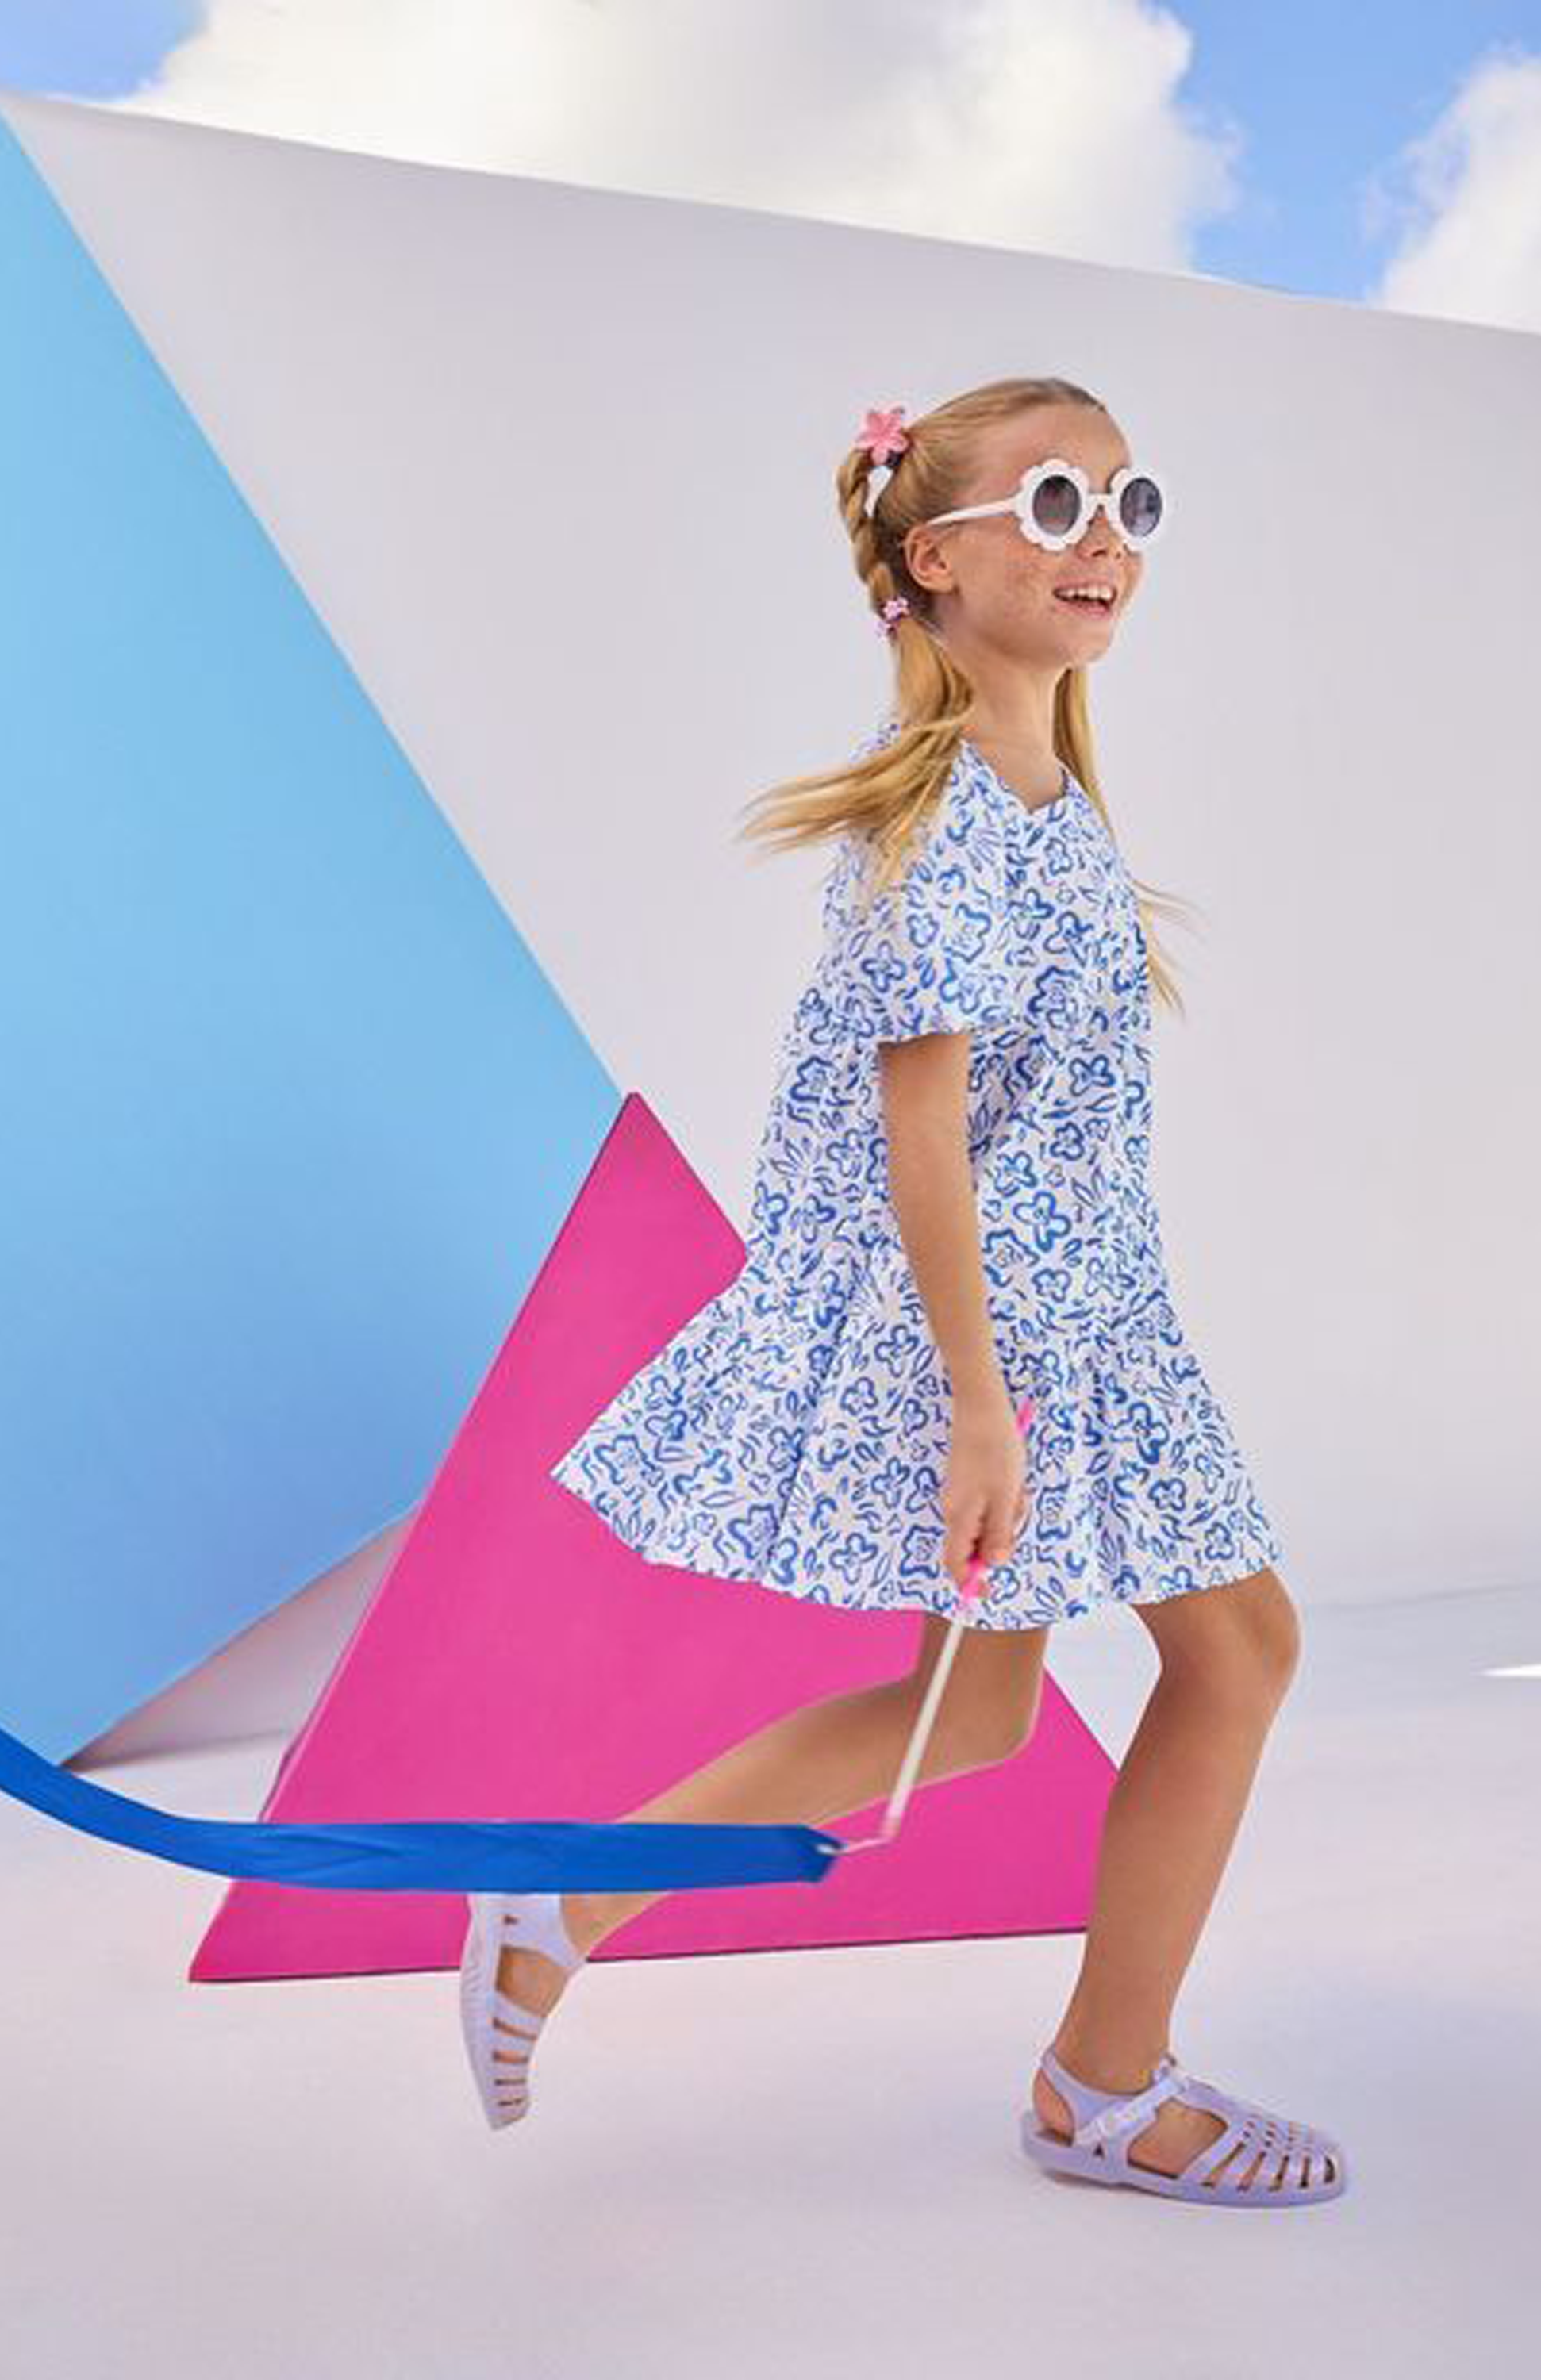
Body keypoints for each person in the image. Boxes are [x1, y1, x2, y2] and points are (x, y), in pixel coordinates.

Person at [459, 374, 1346, 2205]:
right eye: (1054, 505)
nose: (1105, 542)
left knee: (1000, 1709)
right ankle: (1102, 2087)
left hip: (1092, 1314)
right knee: (1238, 1651)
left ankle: (561, 1897)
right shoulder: (947, 818)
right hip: (1026, 1336)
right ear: (933, 557)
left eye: (1128, 504)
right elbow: (915, 1139)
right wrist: (977, 1407)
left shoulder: (1044, 795)